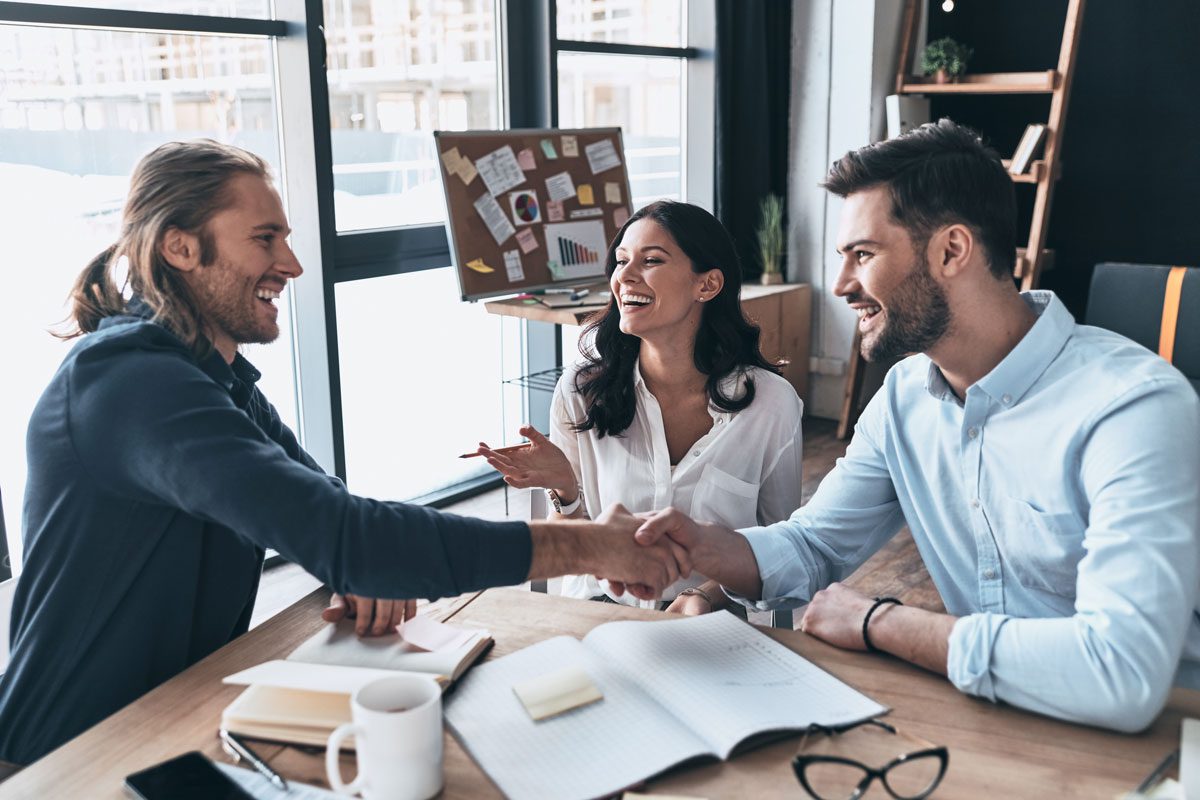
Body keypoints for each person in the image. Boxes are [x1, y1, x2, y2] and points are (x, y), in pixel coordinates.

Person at [0, 140, 687, 765]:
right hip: (68, 753)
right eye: (265, 239)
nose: (292, 264)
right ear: (181, 249)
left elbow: (324, 510)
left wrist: (353, 556)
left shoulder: (212, 381)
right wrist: (592, 546)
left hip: (175, 720)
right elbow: (347, 534)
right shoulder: (131, 384)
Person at [635, 119, 1200, 732]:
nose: (840, 284)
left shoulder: (1133, 408)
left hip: (1158, 741)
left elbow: (1121, 673)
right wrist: (698, 545)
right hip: (992, 719)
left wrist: (882, 622)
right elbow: (815, 545)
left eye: (864, 255)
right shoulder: (904, 397)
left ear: (951, 251)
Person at [478, 201, 803, 614]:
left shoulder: (771, 405)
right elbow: (575, 541)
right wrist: (564, 490)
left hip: (717, 619)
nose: (624, 277)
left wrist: (702, 595)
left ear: (707, 285)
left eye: (651, 260)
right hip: (605, 613)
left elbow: (781, 546)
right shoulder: (581, 392)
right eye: (620, 261)